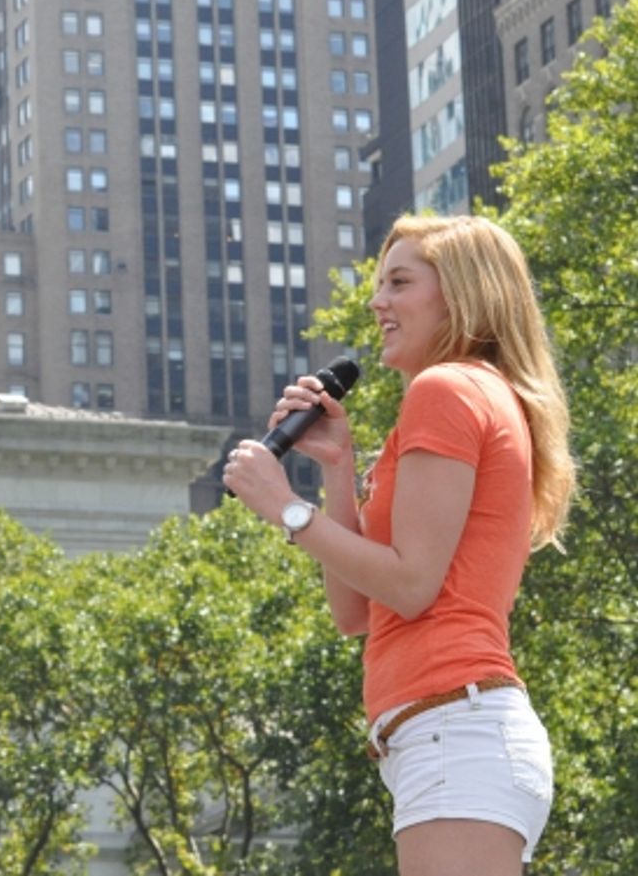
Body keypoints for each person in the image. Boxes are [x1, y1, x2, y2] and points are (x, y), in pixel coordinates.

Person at [223, 214, 574, 876]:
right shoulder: (470, 394)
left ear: (463, 294)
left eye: (399, 282)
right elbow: (357, 611)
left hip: (455, 726)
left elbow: (412, 585)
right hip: (443, 733)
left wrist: (284, 506)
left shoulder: (448, 389)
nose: (377, 300)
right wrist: (335, 467)